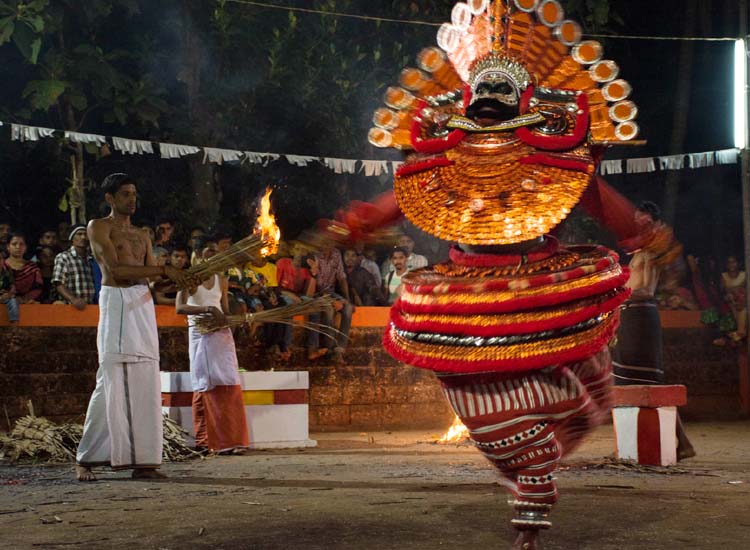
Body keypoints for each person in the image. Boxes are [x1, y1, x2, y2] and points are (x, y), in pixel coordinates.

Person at [75, 173, 191, 482]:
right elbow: (117, 270)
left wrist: (181, 277)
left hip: (142, 304)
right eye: (125, 194)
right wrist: (164, 268)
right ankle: (86, 458)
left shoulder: (143, 234)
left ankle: (144, 462)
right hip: (117, 302)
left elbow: (151, 276)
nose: (132, 199)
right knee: (110, 377)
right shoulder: (98, 226)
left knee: (145, 378)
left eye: (134, 193)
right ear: (110, 198)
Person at [613, 201, 695, 460]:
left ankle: (682, 443)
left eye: (644, 223)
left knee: (648, 382)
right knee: (630, 381)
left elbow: (645, 290)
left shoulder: (649, 254)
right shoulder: (641, 253)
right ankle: (639, 442)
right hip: (633, 316)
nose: (638, 226)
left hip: (640, 315)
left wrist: (618, 293)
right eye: (637, 222)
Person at [176, 243, 248, 453]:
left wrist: (237, 321)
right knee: (204, 382)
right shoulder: (189, 279)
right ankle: (207, 441)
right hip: (199, 332)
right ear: (198, 256)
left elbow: (224, 310)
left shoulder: (221, 279)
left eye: (216, 253)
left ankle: (233, 440)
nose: (213, 257)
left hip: (220, 333)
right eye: (209, 252)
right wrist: (207, 309)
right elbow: (180, 308)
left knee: (228, 381)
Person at [315, 244, 353, 364]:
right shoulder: (315, 254)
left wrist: (347, 299)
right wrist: (332, 300)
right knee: (329, 310)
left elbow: (341, 277)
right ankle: (330, 349)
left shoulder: (336, 253)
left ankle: (340, 349)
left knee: (348, 308)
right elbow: (318, 284)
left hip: (330, 291)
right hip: (316, 293)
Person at [51, 226, 96, 310]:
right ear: (72, 238)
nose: (83, 237)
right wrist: (73, 299)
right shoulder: (64, 257)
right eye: (79, 234)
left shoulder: (91, 259)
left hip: (90, 307)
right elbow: (58, 283)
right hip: (70, 307)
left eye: (86, 234)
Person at [3, 233, 43, 304]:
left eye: (21, 244)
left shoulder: (32, 267)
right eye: (14, 244)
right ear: (8, 247)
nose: (18, 247)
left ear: (26, 247)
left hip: (27, 304)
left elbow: (38, 288)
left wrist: (23, 299)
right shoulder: (2, 266)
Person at [720, 255, 746, 345]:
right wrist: (728, 296)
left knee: (742, 308)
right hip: (731, 303)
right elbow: (722, 293)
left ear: (738, 264)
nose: (731, 265)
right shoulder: (724, 276)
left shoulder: (744, 275)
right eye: (729, 262)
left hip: (743, 302)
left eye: (734, 262)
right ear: (726, 265)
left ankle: (740, 333)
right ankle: (739, 334)